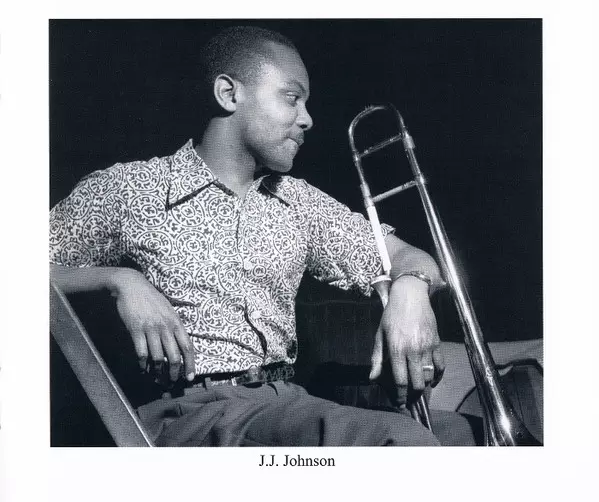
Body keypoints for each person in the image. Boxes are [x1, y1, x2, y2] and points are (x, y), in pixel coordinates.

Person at [49, 25, 481, 446]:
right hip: (188, 413)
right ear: (228, 94)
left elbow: (411, 258)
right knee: (399, 441)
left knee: (458, 434)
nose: (308, 119)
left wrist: (411, 290)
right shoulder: (131, 188)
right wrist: (118, 280)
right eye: (292, 98)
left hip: (285, 402)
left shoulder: (299, 202)